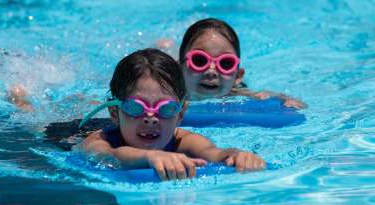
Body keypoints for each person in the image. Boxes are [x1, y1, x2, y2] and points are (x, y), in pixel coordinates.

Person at [79, 48, 265, 181]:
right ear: (114, 112)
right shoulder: (98, 140)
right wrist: (149, 156)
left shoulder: (183, 140)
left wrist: (236, 155)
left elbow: (212, 153)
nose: (150, 118)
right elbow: (110, 156)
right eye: (135, 108)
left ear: (181, 113)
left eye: (166, 109)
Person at [179, 18, 306, 109]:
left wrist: (286, 100)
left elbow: (268, 95)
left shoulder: (237, 94)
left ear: (238, 77)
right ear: (179, 68)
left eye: (226, 63)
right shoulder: (172, 94)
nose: (211, 71)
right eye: (199, 60)